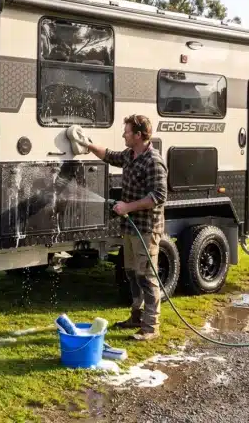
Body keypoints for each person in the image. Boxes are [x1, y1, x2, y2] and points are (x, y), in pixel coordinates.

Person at [71, 114, 168, 341]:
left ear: (138, 135)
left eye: (126, 131)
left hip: (146, 228)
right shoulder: (130, 155)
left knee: (147, 277)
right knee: (132, 274)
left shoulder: (153, 161)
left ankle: (151, 327)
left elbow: (159, 196)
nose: (123, 134)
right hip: (130, 228)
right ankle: (136, 316)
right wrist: (87, 143)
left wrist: (128, 207)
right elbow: (109, 155)